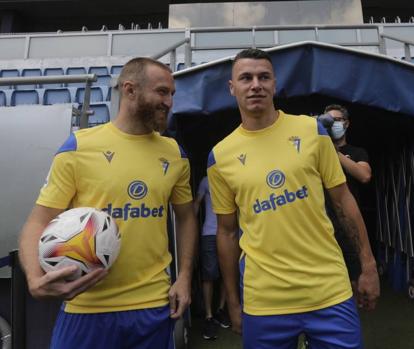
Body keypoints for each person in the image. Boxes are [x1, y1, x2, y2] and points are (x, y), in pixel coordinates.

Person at [18, 57, 198, 349]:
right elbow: (38, 220)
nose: (169, 102)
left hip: (152, 305)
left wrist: (184, 276)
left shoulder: (174, 153)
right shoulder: (78, 147)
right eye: (162, 92)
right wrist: (35, 279)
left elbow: (186, 217)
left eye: (172, 95)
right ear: (130, 90)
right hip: (86, 307)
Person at [207, 48, 379, 349]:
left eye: (264, 77)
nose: (255, 84)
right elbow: (226, 231)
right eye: (245, 78)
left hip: (328, 289)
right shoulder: (220, 156)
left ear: (275, 84)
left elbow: (343, 201)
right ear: (232, 88)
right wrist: (233, 301)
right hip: (265, 299)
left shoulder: (311, 130)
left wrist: (368, 266)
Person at [321, 104, 372, 284]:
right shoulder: (316, 152)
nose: (333, 124)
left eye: (337, 120)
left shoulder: (357, 152)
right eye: (328, 121)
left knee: (354, 278)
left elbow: (364, 175)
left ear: (347, 123)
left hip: (349, 224)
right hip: (322, 226)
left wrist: (333, 152)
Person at [194, 175, 231, 340]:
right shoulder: (205, 180)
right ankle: (208, 317)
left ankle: (221, 310)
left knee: (227, 273)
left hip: (229, 233)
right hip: (209, 233)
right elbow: (196, 203)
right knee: (209, 275)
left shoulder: (231, 175)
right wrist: (189, 228)